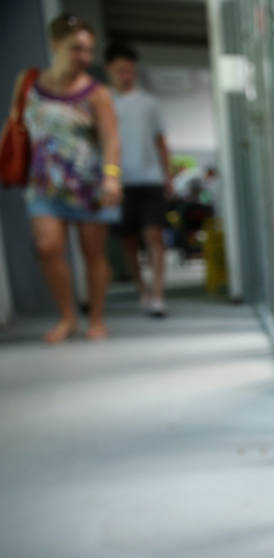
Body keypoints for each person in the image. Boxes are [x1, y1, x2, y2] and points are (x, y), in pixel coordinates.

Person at [12, 12, 121, 342]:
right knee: (48, 247)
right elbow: (16, 123)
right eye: (76, 49)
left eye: (88, 50)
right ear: (55, 44)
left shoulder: (96, 92)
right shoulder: (29, 82)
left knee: (94, 253)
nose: (84, 57)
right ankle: (67, 316)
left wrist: (112, 176)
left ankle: (97, 318)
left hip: (88, 185)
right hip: (44, 183)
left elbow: (110, 138)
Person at [105, 42, 172, 317]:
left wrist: (167, 176)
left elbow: (161, 141)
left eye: (130, 70)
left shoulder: (149, 103)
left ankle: (158, 293)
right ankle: (141, 288)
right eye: (120, 70)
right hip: (119, 181)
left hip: (150, 178)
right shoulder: (103, 101)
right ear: (110, 69)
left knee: (153, 234)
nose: (126, 75)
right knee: (129, 241)